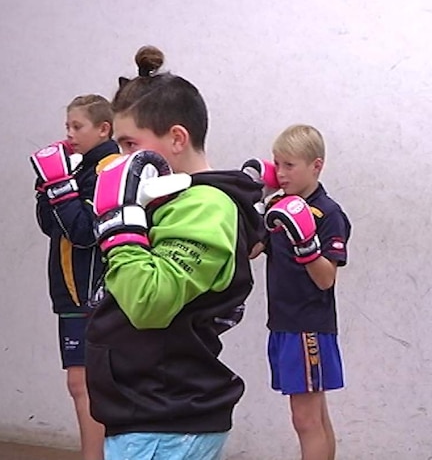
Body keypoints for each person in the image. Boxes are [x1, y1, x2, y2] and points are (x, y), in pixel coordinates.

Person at [84, 45, 264, 460]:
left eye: (130, 144)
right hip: (151, 413)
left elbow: (149, 301)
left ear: (177, 138)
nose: (120, 160)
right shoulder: (173, 202)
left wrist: (120, 226)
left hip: (166, 421)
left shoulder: (205, 206)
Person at [31, 94, 118, 460]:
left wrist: (60, 186)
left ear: (103, 128)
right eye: (67, 126)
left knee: (86, 384)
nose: (69, 134)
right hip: (70, 291)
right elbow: (52, 226)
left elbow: (83, 232)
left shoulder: (108, 170)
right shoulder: (80, 168)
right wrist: (47, 186)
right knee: (80, 384)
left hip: (91, 292)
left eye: (77, 126)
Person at [258, 124, 351, 460]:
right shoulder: (278, 205)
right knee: (314, 416)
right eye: (277, 164)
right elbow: (252, 249)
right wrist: (254, 200)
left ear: (316, 165)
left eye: (289, 165)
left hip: (309, 324)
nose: (281, 173)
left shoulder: (329, 213)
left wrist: (306, 244)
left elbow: (326, 279)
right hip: (282, 322)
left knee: (306, 418)